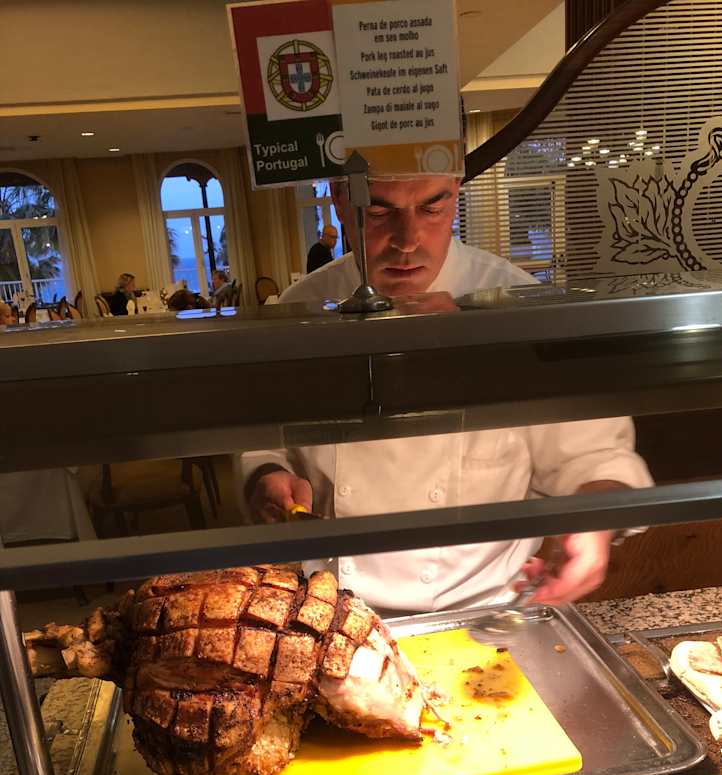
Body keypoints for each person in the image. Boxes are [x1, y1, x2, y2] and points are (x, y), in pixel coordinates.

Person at [240, 175, 652, 616]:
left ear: (456, 191)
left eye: (432, 208)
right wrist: (267, 475)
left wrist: (594, 527)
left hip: (487, 610)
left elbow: (595, 456)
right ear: (340, 200)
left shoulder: (519, 309)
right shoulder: (301, 311)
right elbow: (263, 437)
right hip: (332, 611)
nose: (407, 240)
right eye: (379, 211)